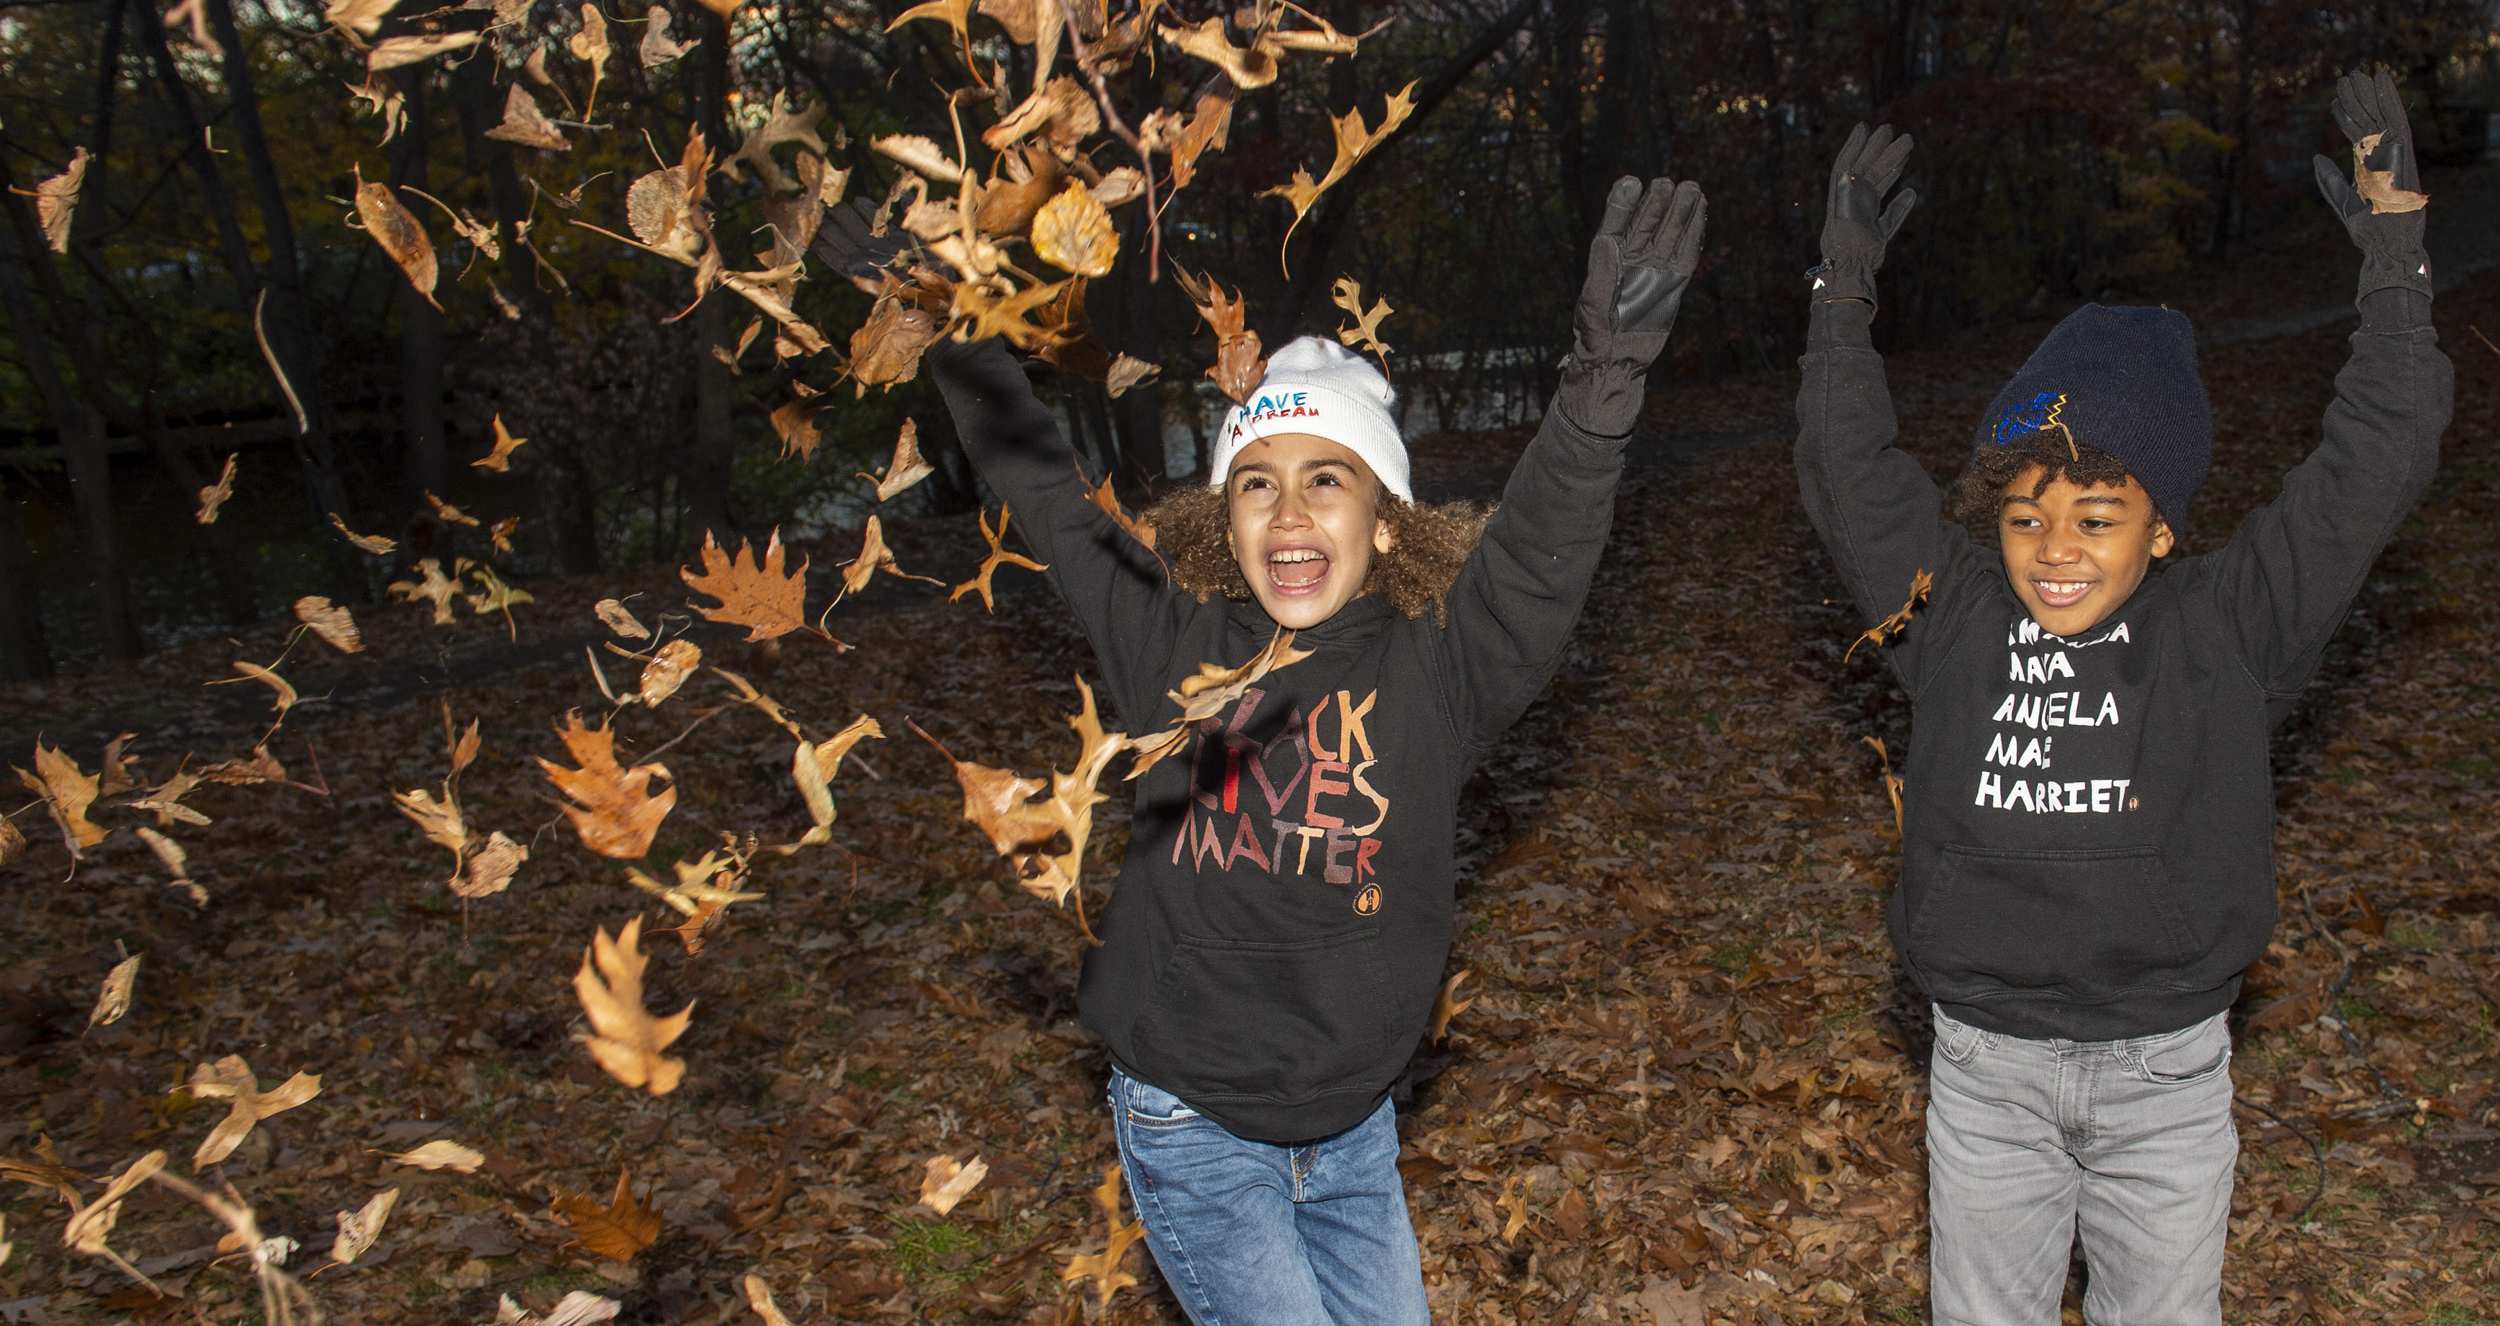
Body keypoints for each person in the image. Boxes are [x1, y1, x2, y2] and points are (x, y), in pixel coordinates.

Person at [827, 173, 1706, 1325]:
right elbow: (1040, 480)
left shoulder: (1441, 666)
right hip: (1193, 1121)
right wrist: (939, 315)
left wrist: (1604, 382)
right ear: (1221, 519)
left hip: (1353, 1126)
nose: (1289, 517)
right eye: (1256, 486)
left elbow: (1539, 552)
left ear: (1384, 517)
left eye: (1324, 482)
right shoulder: (1170, 637)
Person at [1791, 71, 2454, 1325]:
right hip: (1986, 1068)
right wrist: (1841, 289)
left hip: (2166, 1073)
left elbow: (2375, 457)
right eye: (2025, 513)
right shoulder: (1955, 613)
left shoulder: (2227, 623)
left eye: (2097, 516)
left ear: (2160, 528)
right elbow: (1843, 467)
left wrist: (2397, 267)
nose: (2053, 546)